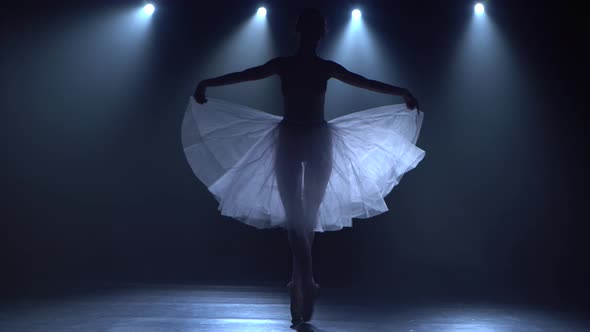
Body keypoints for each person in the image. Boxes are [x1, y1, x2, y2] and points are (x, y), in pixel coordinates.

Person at [185, 8, 425, 329]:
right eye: (316, 28)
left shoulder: (321, 67)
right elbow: (246, 74)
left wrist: (402, 92)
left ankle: (298, 283)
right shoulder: (287, 65)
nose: (316, 33)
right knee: (297, 216)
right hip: (290, 138)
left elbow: (364, 82)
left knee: (305, 216)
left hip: (316, 139)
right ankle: (305, 281)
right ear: (311, 32)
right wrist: (208, 83)